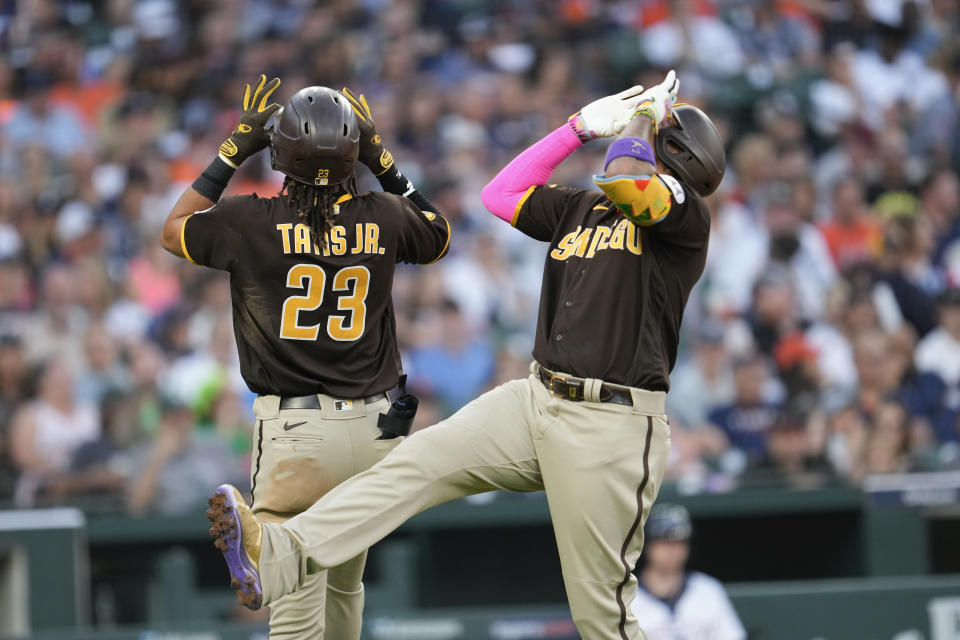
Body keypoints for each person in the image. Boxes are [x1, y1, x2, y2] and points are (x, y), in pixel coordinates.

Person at [206, 70, 725, 640]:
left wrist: (641, 121)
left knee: (601, 615)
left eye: (660, 140)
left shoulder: (683, 219)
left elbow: (629, 183)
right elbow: (499, 195)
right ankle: (278, 553)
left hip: (612, 422)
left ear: (677, 156)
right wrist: (575, 129)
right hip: (537, 397)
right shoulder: (582, 210)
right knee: (414, 464)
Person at [160, 76, 451, 638]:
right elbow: (438, 234)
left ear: (278, 155)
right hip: (374, 431)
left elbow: (172, 232)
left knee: (293, 602)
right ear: (353, 158)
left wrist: (232, 148)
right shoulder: (384, 215)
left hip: (296, 432)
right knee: (345, 582)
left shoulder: (249, 220)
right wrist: (382, 156)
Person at [631, 504, 746, 640]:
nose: (673, 550)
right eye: (664, 542)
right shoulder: (629, 597)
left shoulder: (708, 589)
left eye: (680, 542)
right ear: (647, 545)